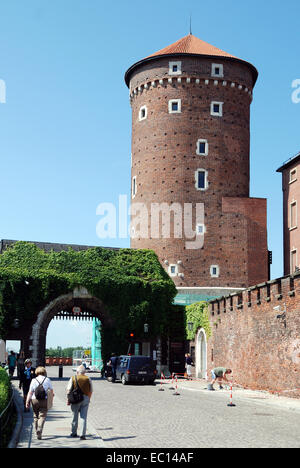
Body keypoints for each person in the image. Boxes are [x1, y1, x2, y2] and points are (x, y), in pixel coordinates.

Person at [25, 367, 54, 440]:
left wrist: (27, 401)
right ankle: (40, 429)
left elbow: (30, 392)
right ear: (44, 372)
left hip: (34, 400)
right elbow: (51, 391)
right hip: (44, 400)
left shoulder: (33, 380)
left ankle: (37, 432)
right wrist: (51, 398)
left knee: (35, 415)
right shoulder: (47, 379)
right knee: (42, 416)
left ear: (36, 372)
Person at [67, 365, 93, 440]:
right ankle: (82, 434)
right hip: (85, 398)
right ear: (84, 372)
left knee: (74, 416)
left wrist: (68, 399)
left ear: (77, 372)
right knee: (83, 417)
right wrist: (88, 398)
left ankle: (74, 432)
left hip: (75, 399)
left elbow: (68, 390)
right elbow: (91, 390)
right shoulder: (88, 378)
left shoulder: (73, 378)